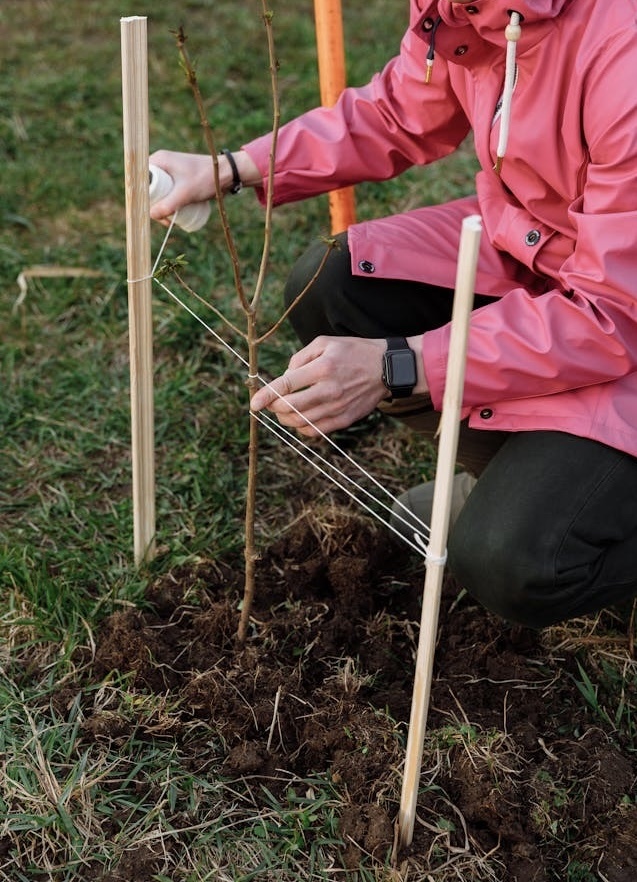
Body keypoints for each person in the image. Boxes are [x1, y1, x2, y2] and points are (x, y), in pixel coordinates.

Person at [150, 0, 637, 630]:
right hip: (539, 246)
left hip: (616, 306)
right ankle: (520, 478)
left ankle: (563, 511)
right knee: (335, 288)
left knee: (513, 563)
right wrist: (235, 169)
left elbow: (612, 311)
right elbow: (398, 112)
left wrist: (400, 364)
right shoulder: (467, 9)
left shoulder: (621, 53)